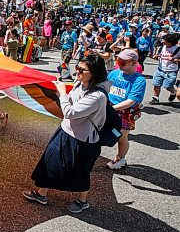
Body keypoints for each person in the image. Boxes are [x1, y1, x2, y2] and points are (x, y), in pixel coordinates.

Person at [23, 54, 108, 213]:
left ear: (94, 73)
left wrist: (62, 92)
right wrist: (56, 92)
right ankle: (41, 194)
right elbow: (69, 101)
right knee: (49, 162)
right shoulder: (81, 84)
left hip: (83, 141)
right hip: (65, 132)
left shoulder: (98, 96)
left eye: (82, 70)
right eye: (77, 68)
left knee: (81, 170)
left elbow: (69, 112)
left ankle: (83, 201)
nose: (77, 72)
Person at [106, 50, 146, 170]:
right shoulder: (114, 73)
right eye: (118, 60)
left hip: (124, 112)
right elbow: (105, 88)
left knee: (121, 137)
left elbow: (131, 101)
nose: (119, 63)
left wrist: (112, 108)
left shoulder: (139, 80)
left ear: (134, 63)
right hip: (109, 107)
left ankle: (120, 159)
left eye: (123, 62)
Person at [149, 33, 179, 105]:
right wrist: (156, 56)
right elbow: (158, 55)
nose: (162, 41)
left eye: (164, 40)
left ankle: (173, 92)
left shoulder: (177, 49)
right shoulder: (162, 47)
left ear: (170, 41)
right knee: (156, 84)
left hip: (171, 71)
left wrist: (174, 60)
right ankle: (155, 98)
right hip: (160, 69)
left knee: (167, 86)